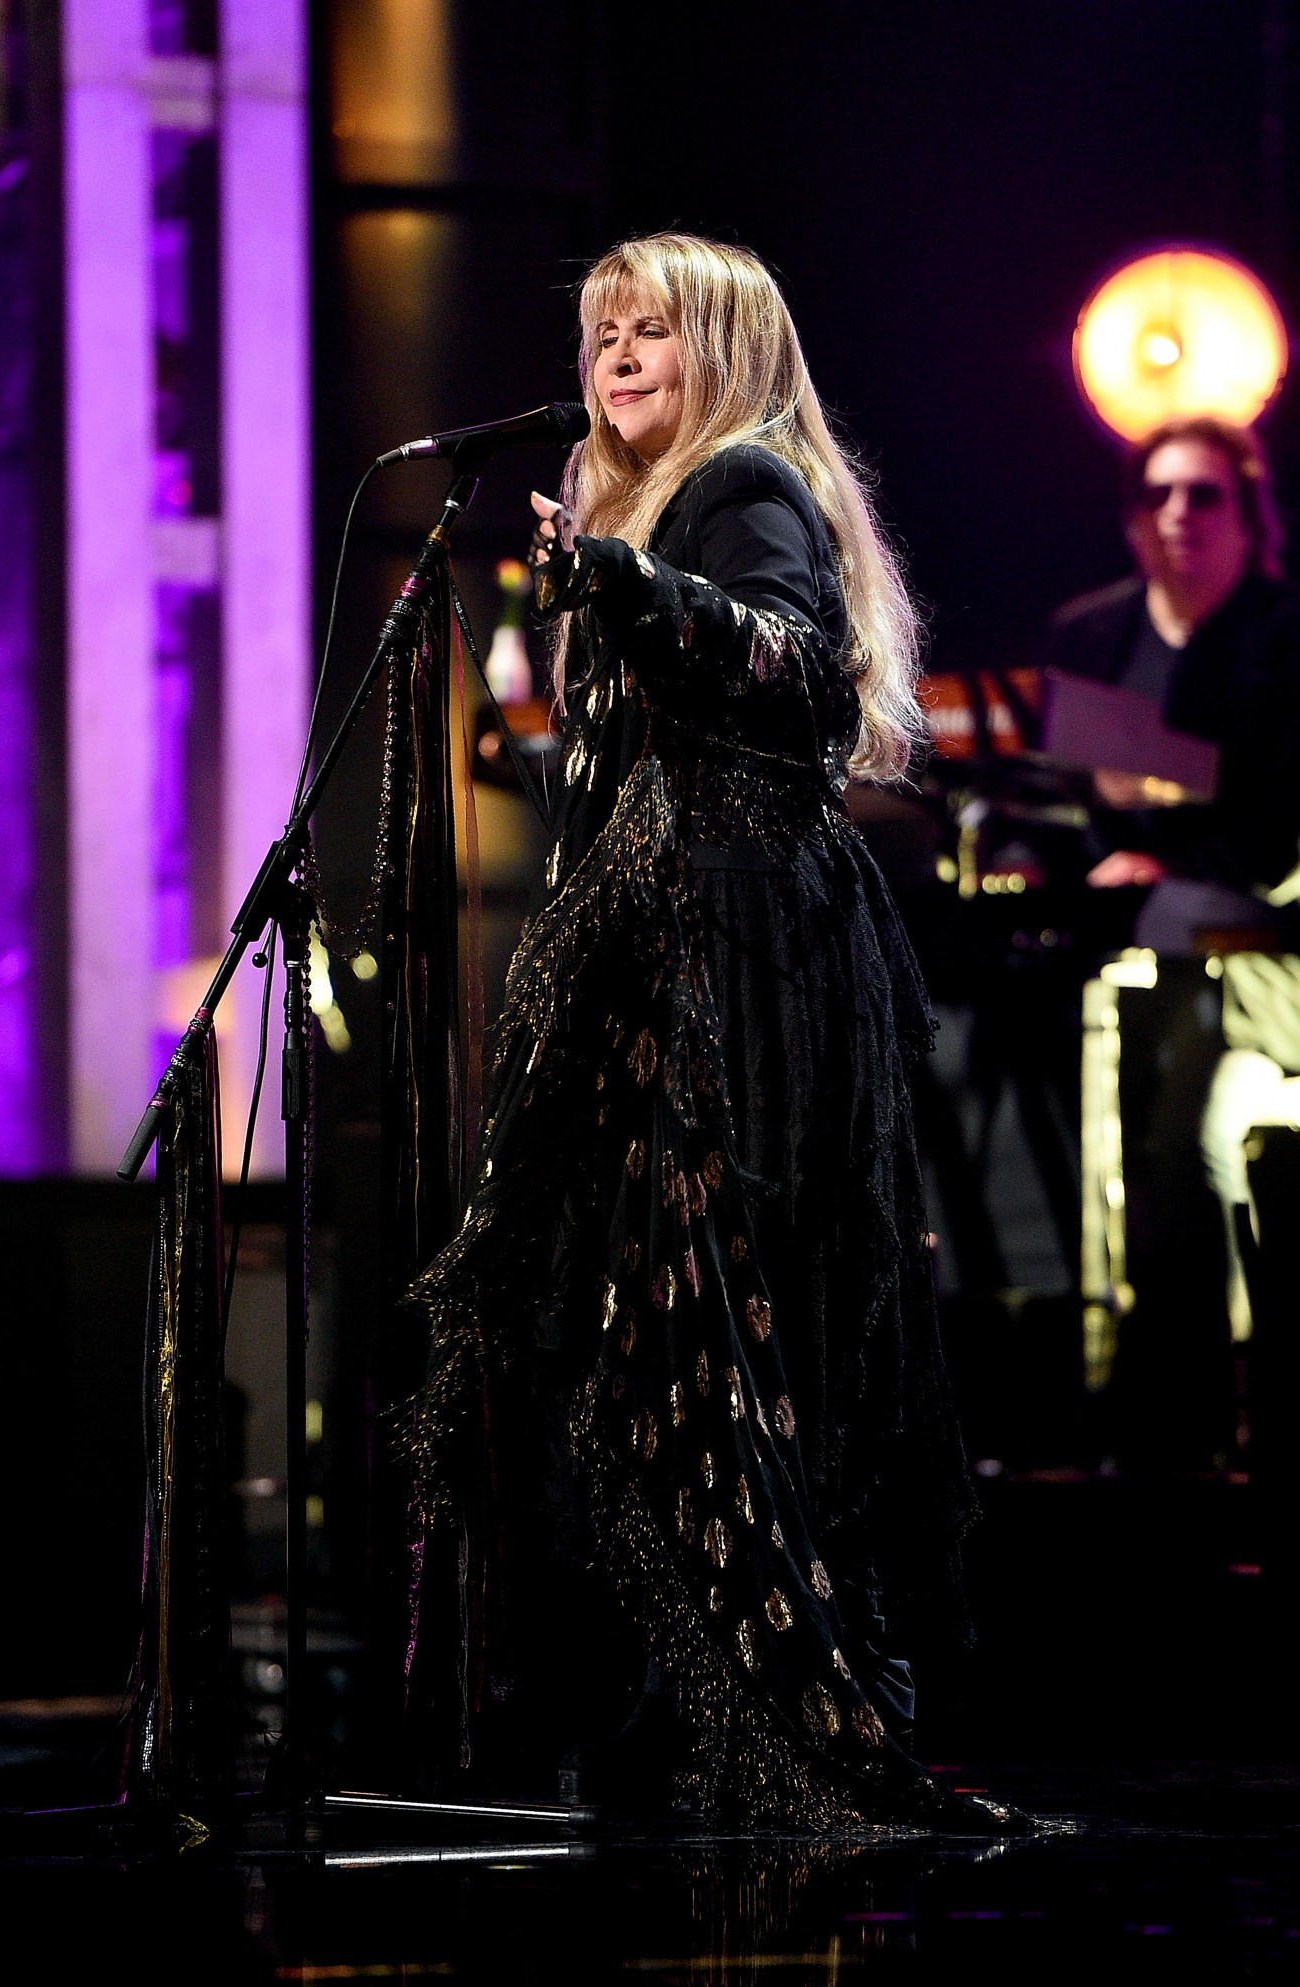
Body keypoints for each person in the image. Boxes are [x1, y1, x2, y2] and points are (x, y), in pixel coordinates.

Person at [397, 232, 1016, 1835]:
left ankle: (765, 1718)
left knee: (726, 1322)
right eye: (601, 333)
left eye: (649, 331)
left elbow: (800, 676)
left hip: (739, 955)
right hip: (666, 949)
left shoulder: (745, 490)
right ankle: (684, 1718)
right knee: (649, 1334)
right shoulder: (635, 518)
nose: (612, 359)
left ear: (723, 350)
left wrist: (627, 585)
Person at [1046, 417, 1300, 1458]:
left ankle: (1197, 1414)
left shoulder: (1282, 631)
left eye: (1205, 495)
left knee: (1184, 1140)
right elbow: (1065, 796)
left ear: (1249, 515)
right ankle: (1092, 1388)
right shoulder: (1094, 631)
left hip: (1250, 943)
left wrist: (1178, 822)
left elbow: (1273, 826)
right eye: (1159, 495)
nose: (1179, 516)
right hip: (1110, 932)